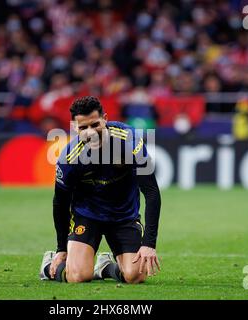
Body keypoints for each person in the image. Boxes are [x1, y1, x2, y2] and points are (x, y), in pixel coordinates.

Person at [39, 96, 161, 283]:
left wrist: (149, 244)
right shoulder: (69, 158)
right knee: (78, 276)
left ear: (105, 118)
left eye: (95, 124)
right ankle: (48, 266)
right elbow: (60, 203)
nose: (91, 133)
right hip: (87, 216)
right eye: (83, 128)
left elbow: (151, 192)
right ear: (74, 128)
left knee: (135, 275)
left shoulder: (129, 142)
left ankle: (105, 268)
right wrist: (61, 248)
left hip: (123, 216)